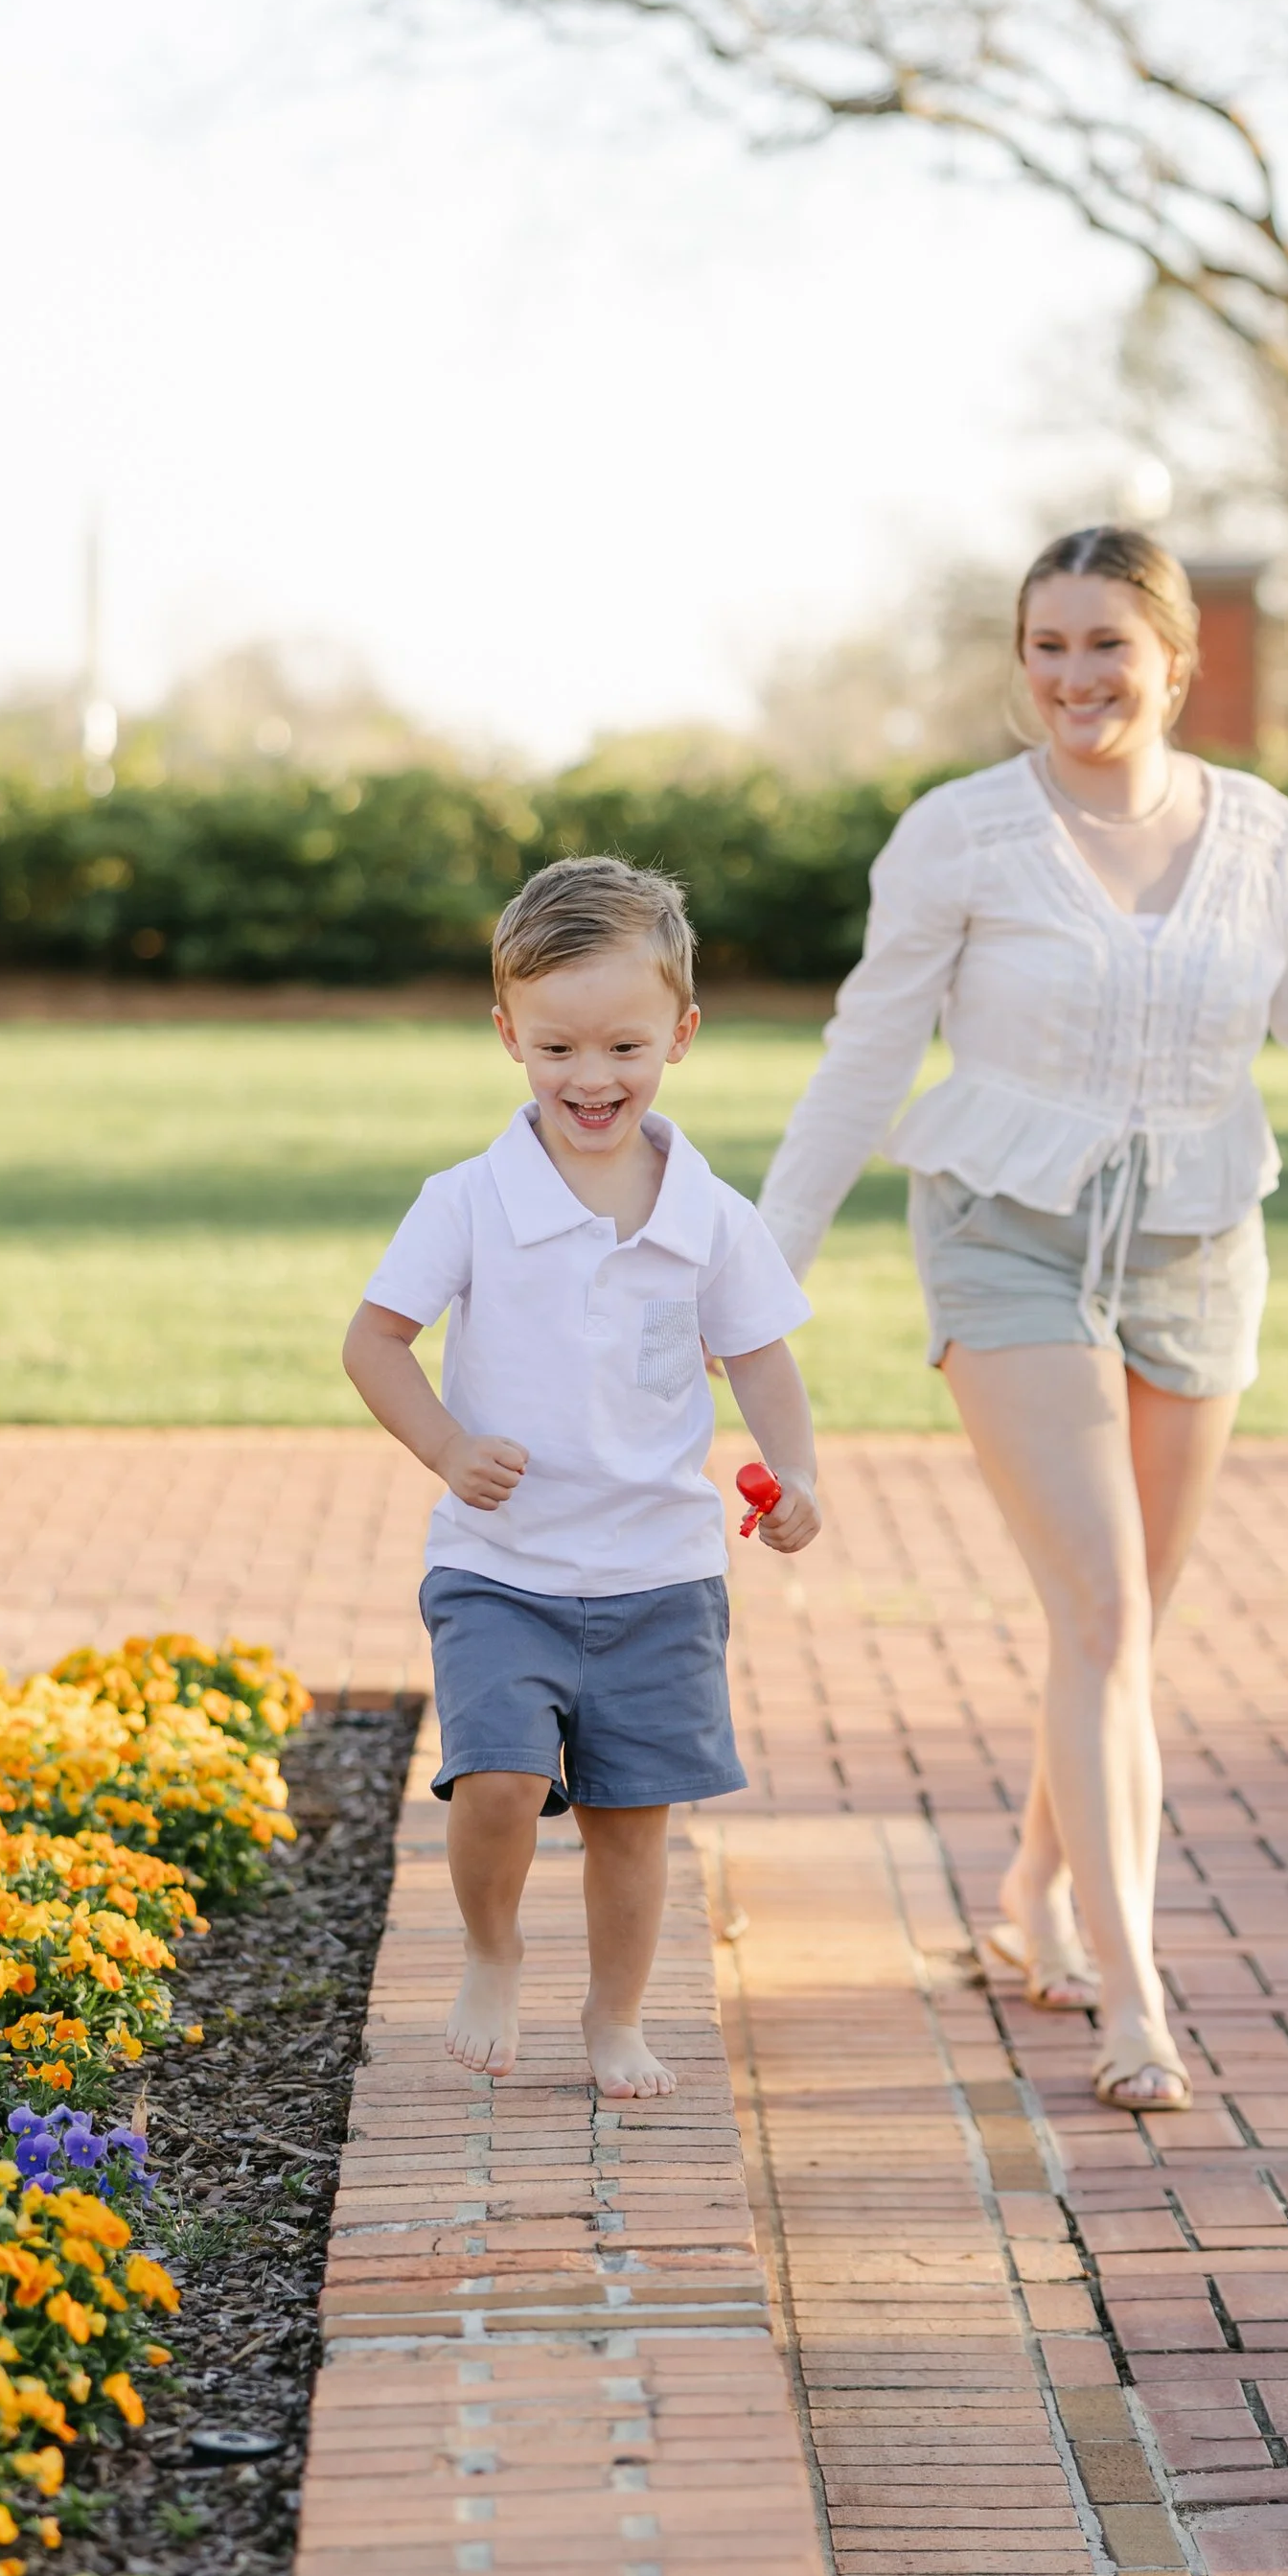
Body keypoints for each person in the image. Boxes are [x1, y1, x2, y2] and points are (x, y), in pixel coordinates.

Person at [756, 526, 1288, 2117]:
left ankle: (1035, 1894)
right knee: (1103, 1611)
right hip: (1003, 1233)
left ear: (1173, 658)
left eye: (1105, 644)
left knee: (1121, 1628)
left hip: (1197, 1247)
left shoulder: (1266, 841)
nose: (1073, 678)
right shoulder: (961, 837)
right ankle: (1134, 1995)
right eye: (1045, 647)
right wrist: (769, 1256)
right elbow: (862, 1053)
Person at [343, 853, 823, 2100]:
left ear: (682, 1034)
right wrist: (447, 1445)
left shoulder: (710, 1213)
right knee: (497, 1779)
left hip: (661, 1572)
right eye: (557, 1048)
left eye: (624, 1045)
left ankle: (615, 2018)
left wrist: (796, 1472)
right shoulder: (468, 1198)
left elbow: (762, 1358)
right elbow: (373, 1341)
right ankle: (493, 1948)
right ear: (509, 1034)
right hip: (501, 1566)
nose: (592, 1078)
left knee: (630, 1823)